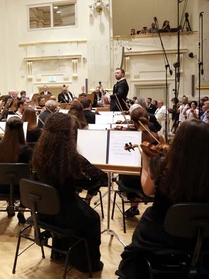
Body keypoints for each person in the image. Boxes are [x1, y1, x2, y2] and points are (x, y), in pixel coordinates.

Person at [117, 119, 209, 278]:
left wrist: (146, 160)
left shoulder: (162, 165)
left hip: (161, 235)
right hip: (203, 237)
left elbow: (147, 190)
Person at [31, 113, 105, 273]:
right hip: (66, 211)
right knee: (93, 219)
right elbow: (101, 178)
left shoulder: (39, 152)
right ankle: (90, 264)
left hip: (45, 210)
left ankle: (59, 254)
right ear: (68, 135)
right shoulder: (71, 158)